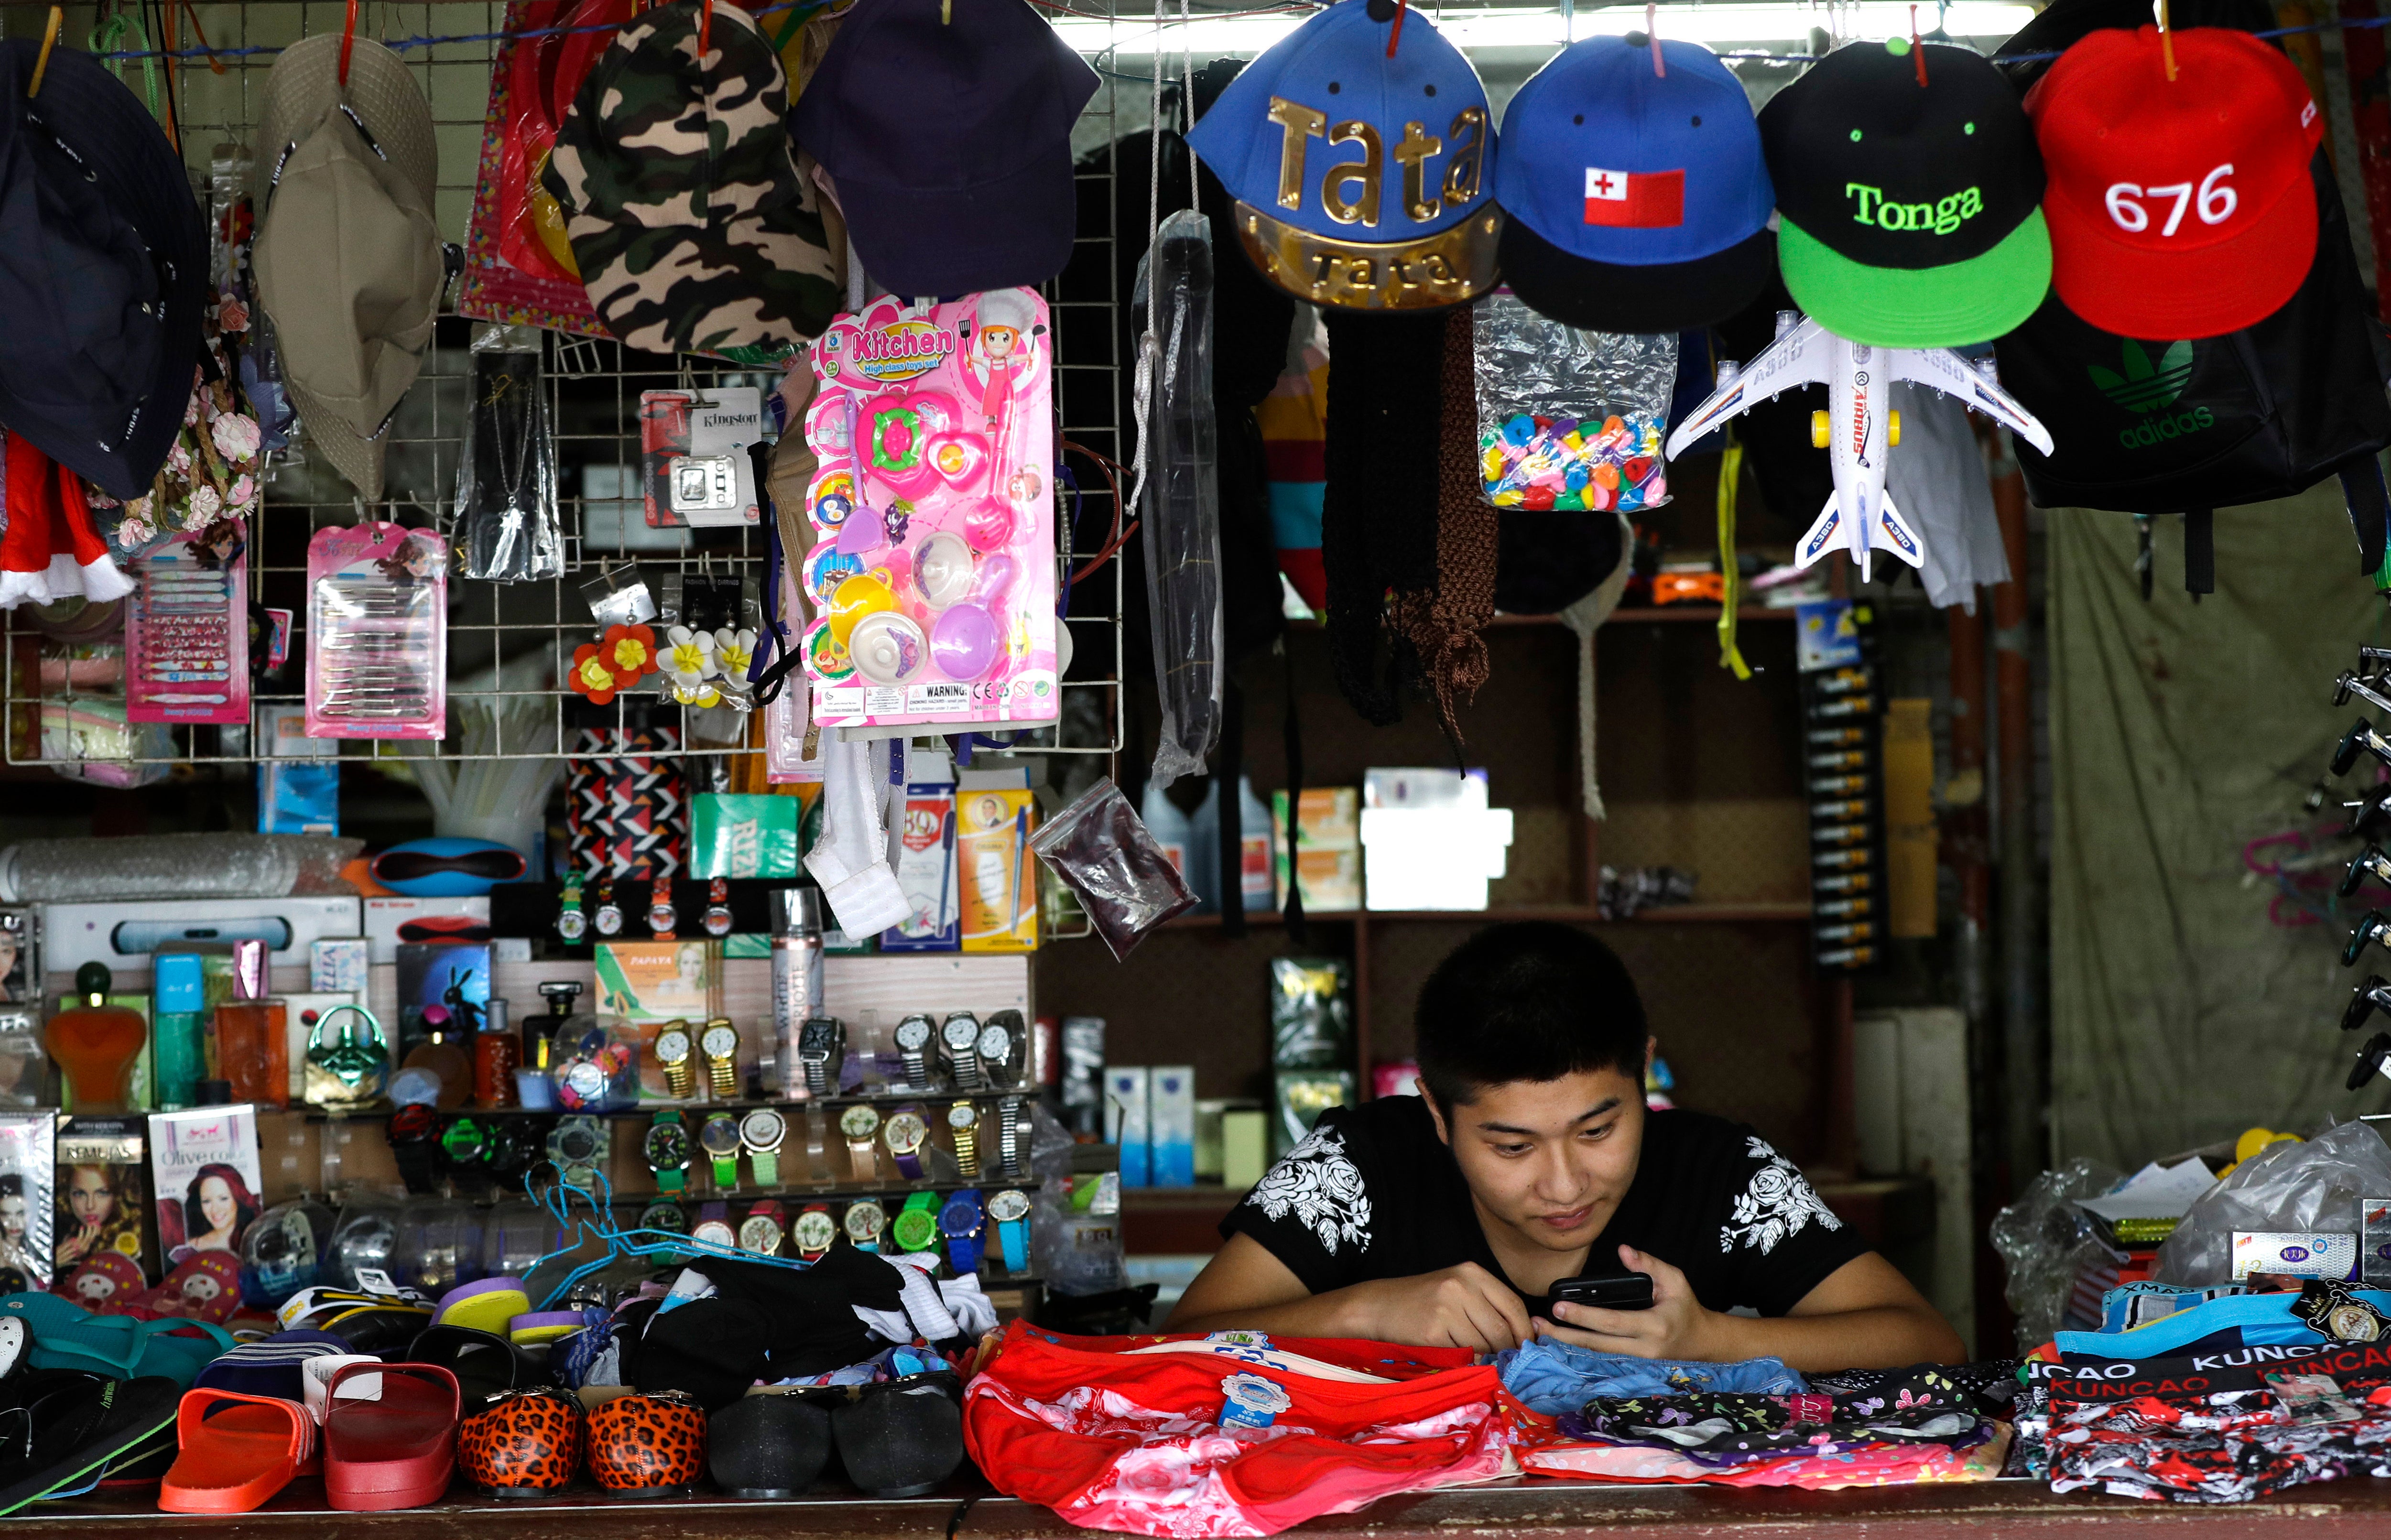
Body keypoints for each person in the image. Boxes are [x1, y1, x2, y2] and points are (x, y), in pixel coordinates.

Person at [1169, 922, 1964, 1369]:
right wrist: (1366, 1310)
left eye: (1599, 1129)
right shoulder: (1359, 1163)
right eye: (1511, 1146)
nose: (1563, 1183)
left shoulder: (1718, 1170)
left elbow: (1923, 1339)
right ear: (1437, 1117)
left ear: (1643, 1075)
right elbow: (1166, 1345)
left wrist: (1714, 1339)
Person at [54, 1161, 141, 1270]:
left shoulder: (134, 1232)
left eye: (102, 1193)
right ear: (67, 1195)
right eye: (80, 1194)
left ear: (117, 1195)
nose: (90, 1206)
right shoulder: (59, 1233)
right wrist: (56, 1264)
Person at [170, 1163, 259, 1263]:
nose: (215, 1210)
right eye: (207, 1201)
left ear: (238, 1199)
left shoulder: (256, 1238)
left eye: (223, 1199)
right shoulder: (192, 1247)